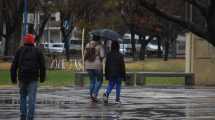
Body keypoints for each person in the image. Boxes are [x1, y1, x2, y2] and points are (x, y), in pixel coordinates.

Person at [10, 34, 46, 120]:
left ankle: (23, 115)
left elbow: (14, 66)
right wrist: (42, 78)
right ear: (33, 41)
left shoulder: (20, 50)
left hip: (22, 77)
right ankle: (30, 117)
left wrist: (13, 78)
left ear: (25, 41)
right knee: (32, 98)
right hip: (33, 78)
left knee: (22, 96)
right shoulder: (38, 51)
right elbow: (42, 66)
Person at [84, 35, 105, 102]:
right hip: (97, 65)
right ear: (98, 39)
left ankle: (91, 96)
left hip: (88, 65)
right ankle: (94, 94)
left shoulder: (87, 45)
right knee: (99, 80)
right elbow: (102, 55)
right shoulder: (99, 46)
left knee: (92, 81)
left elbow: (85, 54)